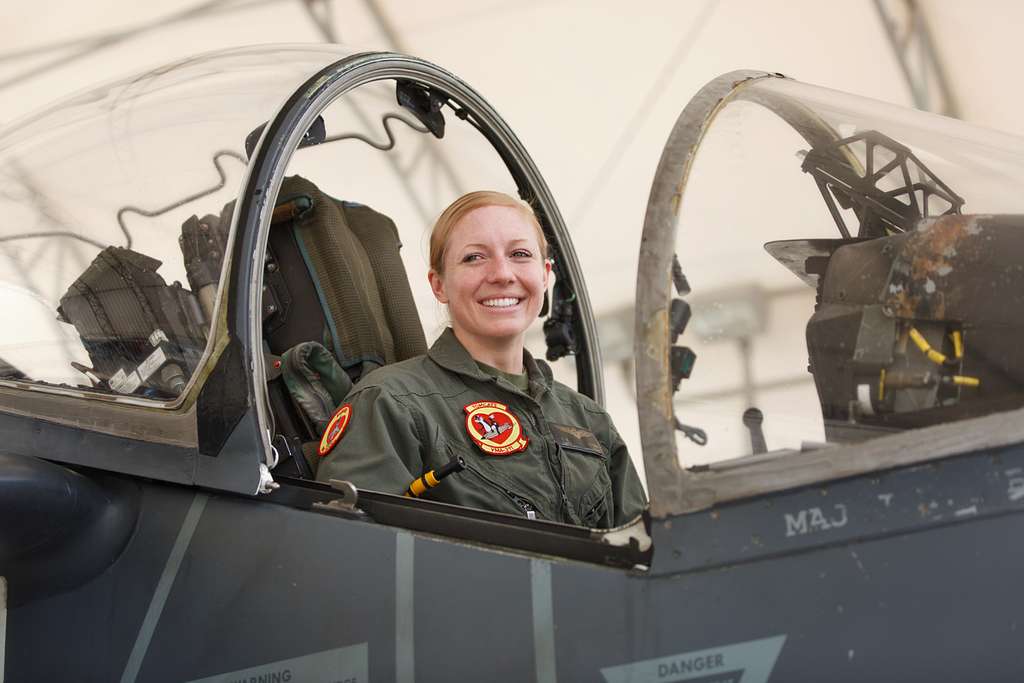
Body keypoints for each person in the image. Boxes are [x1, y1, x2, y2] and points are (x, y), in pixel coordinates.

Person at [315, 191, 646, 528]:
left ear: (545, 275)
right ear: (439, 284)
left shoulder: (590, 420)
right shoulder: (390, 403)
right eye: (474, 258)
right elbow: (352, 553)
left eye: (519, 254)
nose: (502, 274)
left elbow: (644, 553)